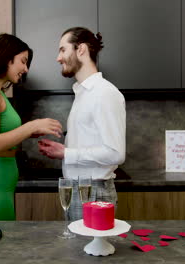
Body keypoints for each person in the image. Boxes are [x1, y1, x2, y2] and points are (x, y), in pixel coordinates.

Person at [0, 33, 62, 221]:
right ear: (7, 58)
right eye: (23, 61)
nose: (26, 68)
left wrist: (29, 132)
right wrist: (31, 126)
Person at [38, 27, 126, 221]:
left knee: (82, 251)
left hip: (93, 192)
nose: (58, 58)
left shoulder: (104, 93)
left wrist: (66, 153)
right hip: (81, 190)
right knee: (76, 250)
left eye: (62, 50)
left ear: (81, 50)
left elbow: (115, 153)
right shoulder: (84, 93)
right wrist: (63, 150)